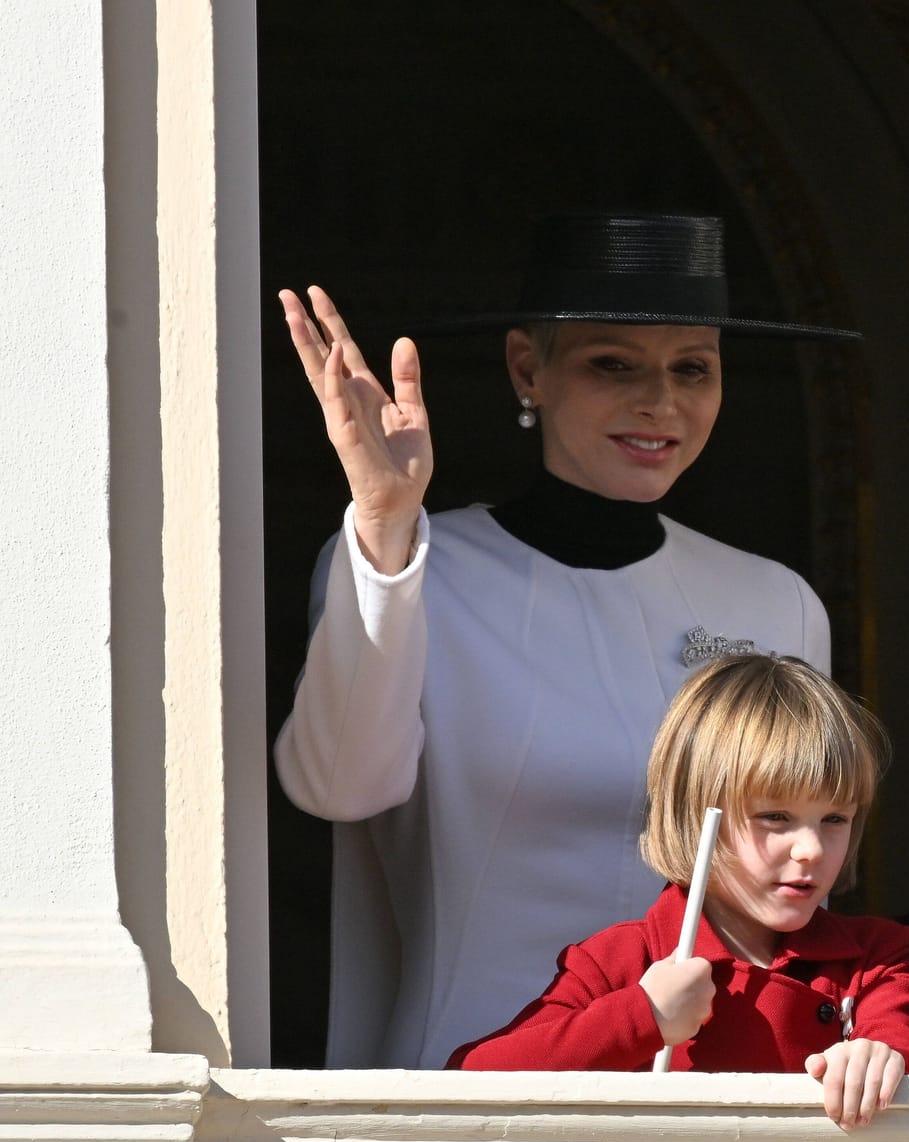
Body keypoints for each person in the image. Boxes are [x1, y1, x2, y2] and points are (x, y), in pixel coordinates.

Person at [273, 213, 859, 1069]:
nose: (659, 400)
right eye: (612, 364)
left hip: (721, 1087)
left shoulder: (778, 602)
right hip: (481, 1080)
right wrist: (387, 528)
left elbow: (806, 880)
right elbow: (339, 787)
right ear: (527, 369)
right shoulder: (419, 566)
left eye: (691, 367)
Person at [451, 653, 909, 1130]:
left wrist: (881, 1058)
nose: (810, 849)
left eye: (835, 819)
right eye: (775, 817)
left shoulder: (877, 957)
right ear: (696, 814)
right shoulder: (620, 960)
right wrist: (643, 1015)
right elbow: (469, 1085)